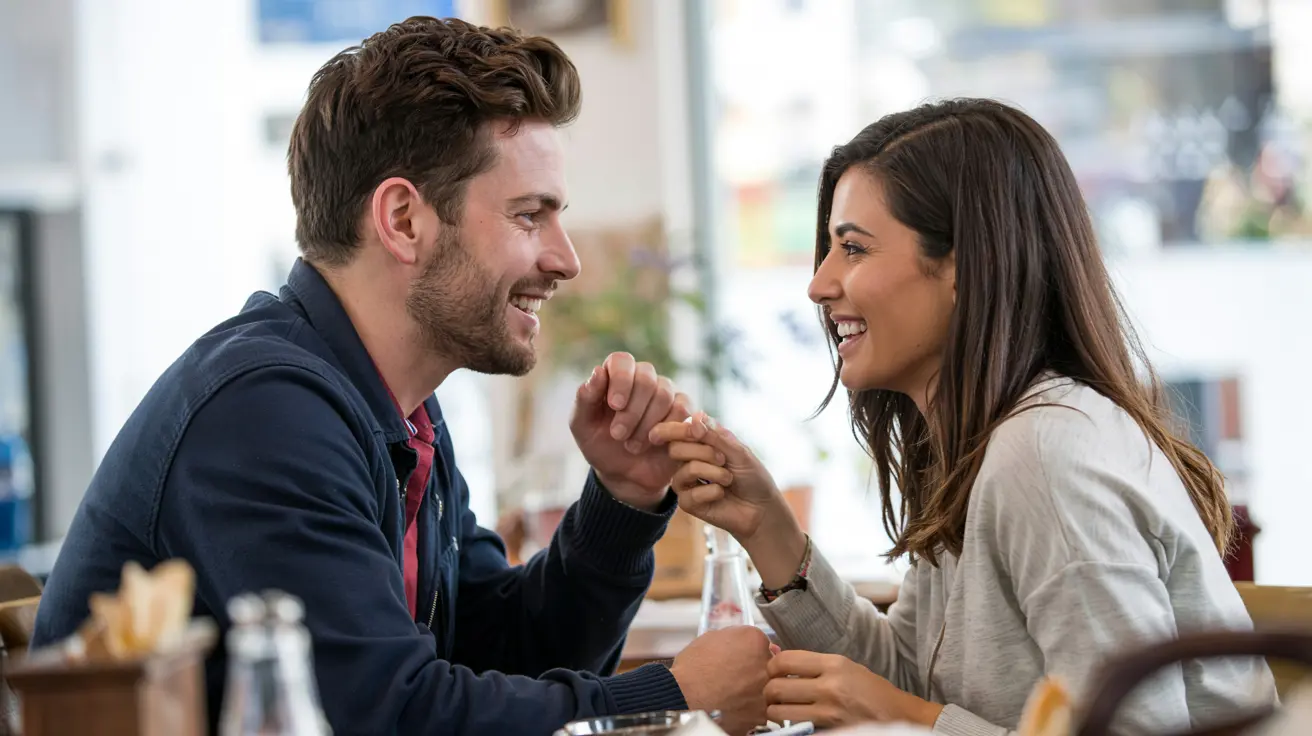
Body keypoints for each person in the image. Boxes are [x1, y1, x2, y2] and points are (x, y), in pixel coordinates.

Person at [31, 17, 771, 736]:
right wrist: (669, 697)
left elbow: (506, 651)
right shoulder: (265, 413)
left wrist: (620, 503)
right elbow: (389, 716)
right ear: (403, 220)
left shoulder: (396, 411)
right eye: (528, 216)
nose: (566, 259)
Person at [650, 98, 1276, 735]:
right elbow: (906, 680)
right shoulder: (979, 448)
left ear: (963, 267)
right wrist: (770, 531)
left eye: (855, 249)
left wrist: (907, 716)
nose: (818, 283)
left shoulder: (1045, 456)